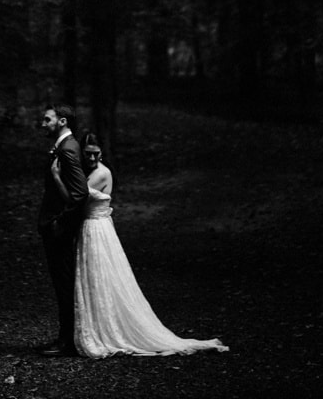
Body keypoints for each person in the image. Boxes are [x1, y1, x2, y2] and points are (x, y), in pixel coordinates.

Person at [73, 134, 228, 358]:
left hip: (97, 228)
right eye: (88, 153)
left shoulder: (101, 173)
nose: (92, 157)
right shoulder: (88, 171)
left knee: (103, 274)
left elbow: (77, 195)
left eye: (96, 153)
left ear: (102, 153)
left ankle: (109, 328)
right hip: (91, 226)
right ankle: (98, 322)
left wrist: (59, 176)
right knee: (95, 276)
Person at [36, 105, 89, 356]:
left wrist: (59, 221)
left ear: (62, 121)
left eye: (47, 120)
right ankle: (67, 338)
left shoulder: (67, 149)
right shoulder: (65, 146)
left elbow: (80, 193)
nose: (43, 124)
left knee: (64, 283)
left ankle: (66, 341)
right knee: (63, 283)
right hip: (56, 226)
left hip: (60, 229)